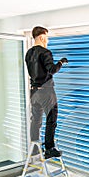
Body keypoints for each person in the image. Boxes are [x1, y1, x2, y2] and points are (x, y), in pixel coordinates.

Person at [25, 26, 68, 159]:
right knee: (51, 119)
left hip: (34, 92)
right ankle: (49, 148)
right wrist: (61, 62)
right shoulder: (45, 52)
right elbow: (52, 70)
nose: (47, 41)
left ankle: (34, 147)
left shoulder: (28, 53)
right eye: (47, 38)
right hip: (46, 92)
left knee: (36, 120)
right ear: (42, 37)